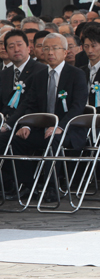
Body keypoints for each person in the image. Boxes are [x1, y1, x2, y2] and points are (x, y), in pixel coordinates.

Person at [0, 33, 88, 202]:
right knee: (10, 139)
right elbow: (29, 105)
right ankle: (27, 185)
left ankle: (51, 187)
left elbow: (77, 107)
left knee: (54, 140)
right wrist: (24, 125)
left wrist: (59, 126)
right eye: (46, 48)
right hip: (42, 129)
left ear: (65, 51)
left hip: (67, 129)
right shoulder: (39, 76)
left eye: (55, 48)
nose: (50, 53)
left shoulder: (76, 74)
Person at [0, 30, 46, 121]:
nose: (16, 49)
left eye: (19, 45)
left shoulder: (42, 71)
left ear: (28, 48)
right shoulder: (3, 74)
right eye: (11, 47)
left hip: (29, 122)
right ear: (6, 51)